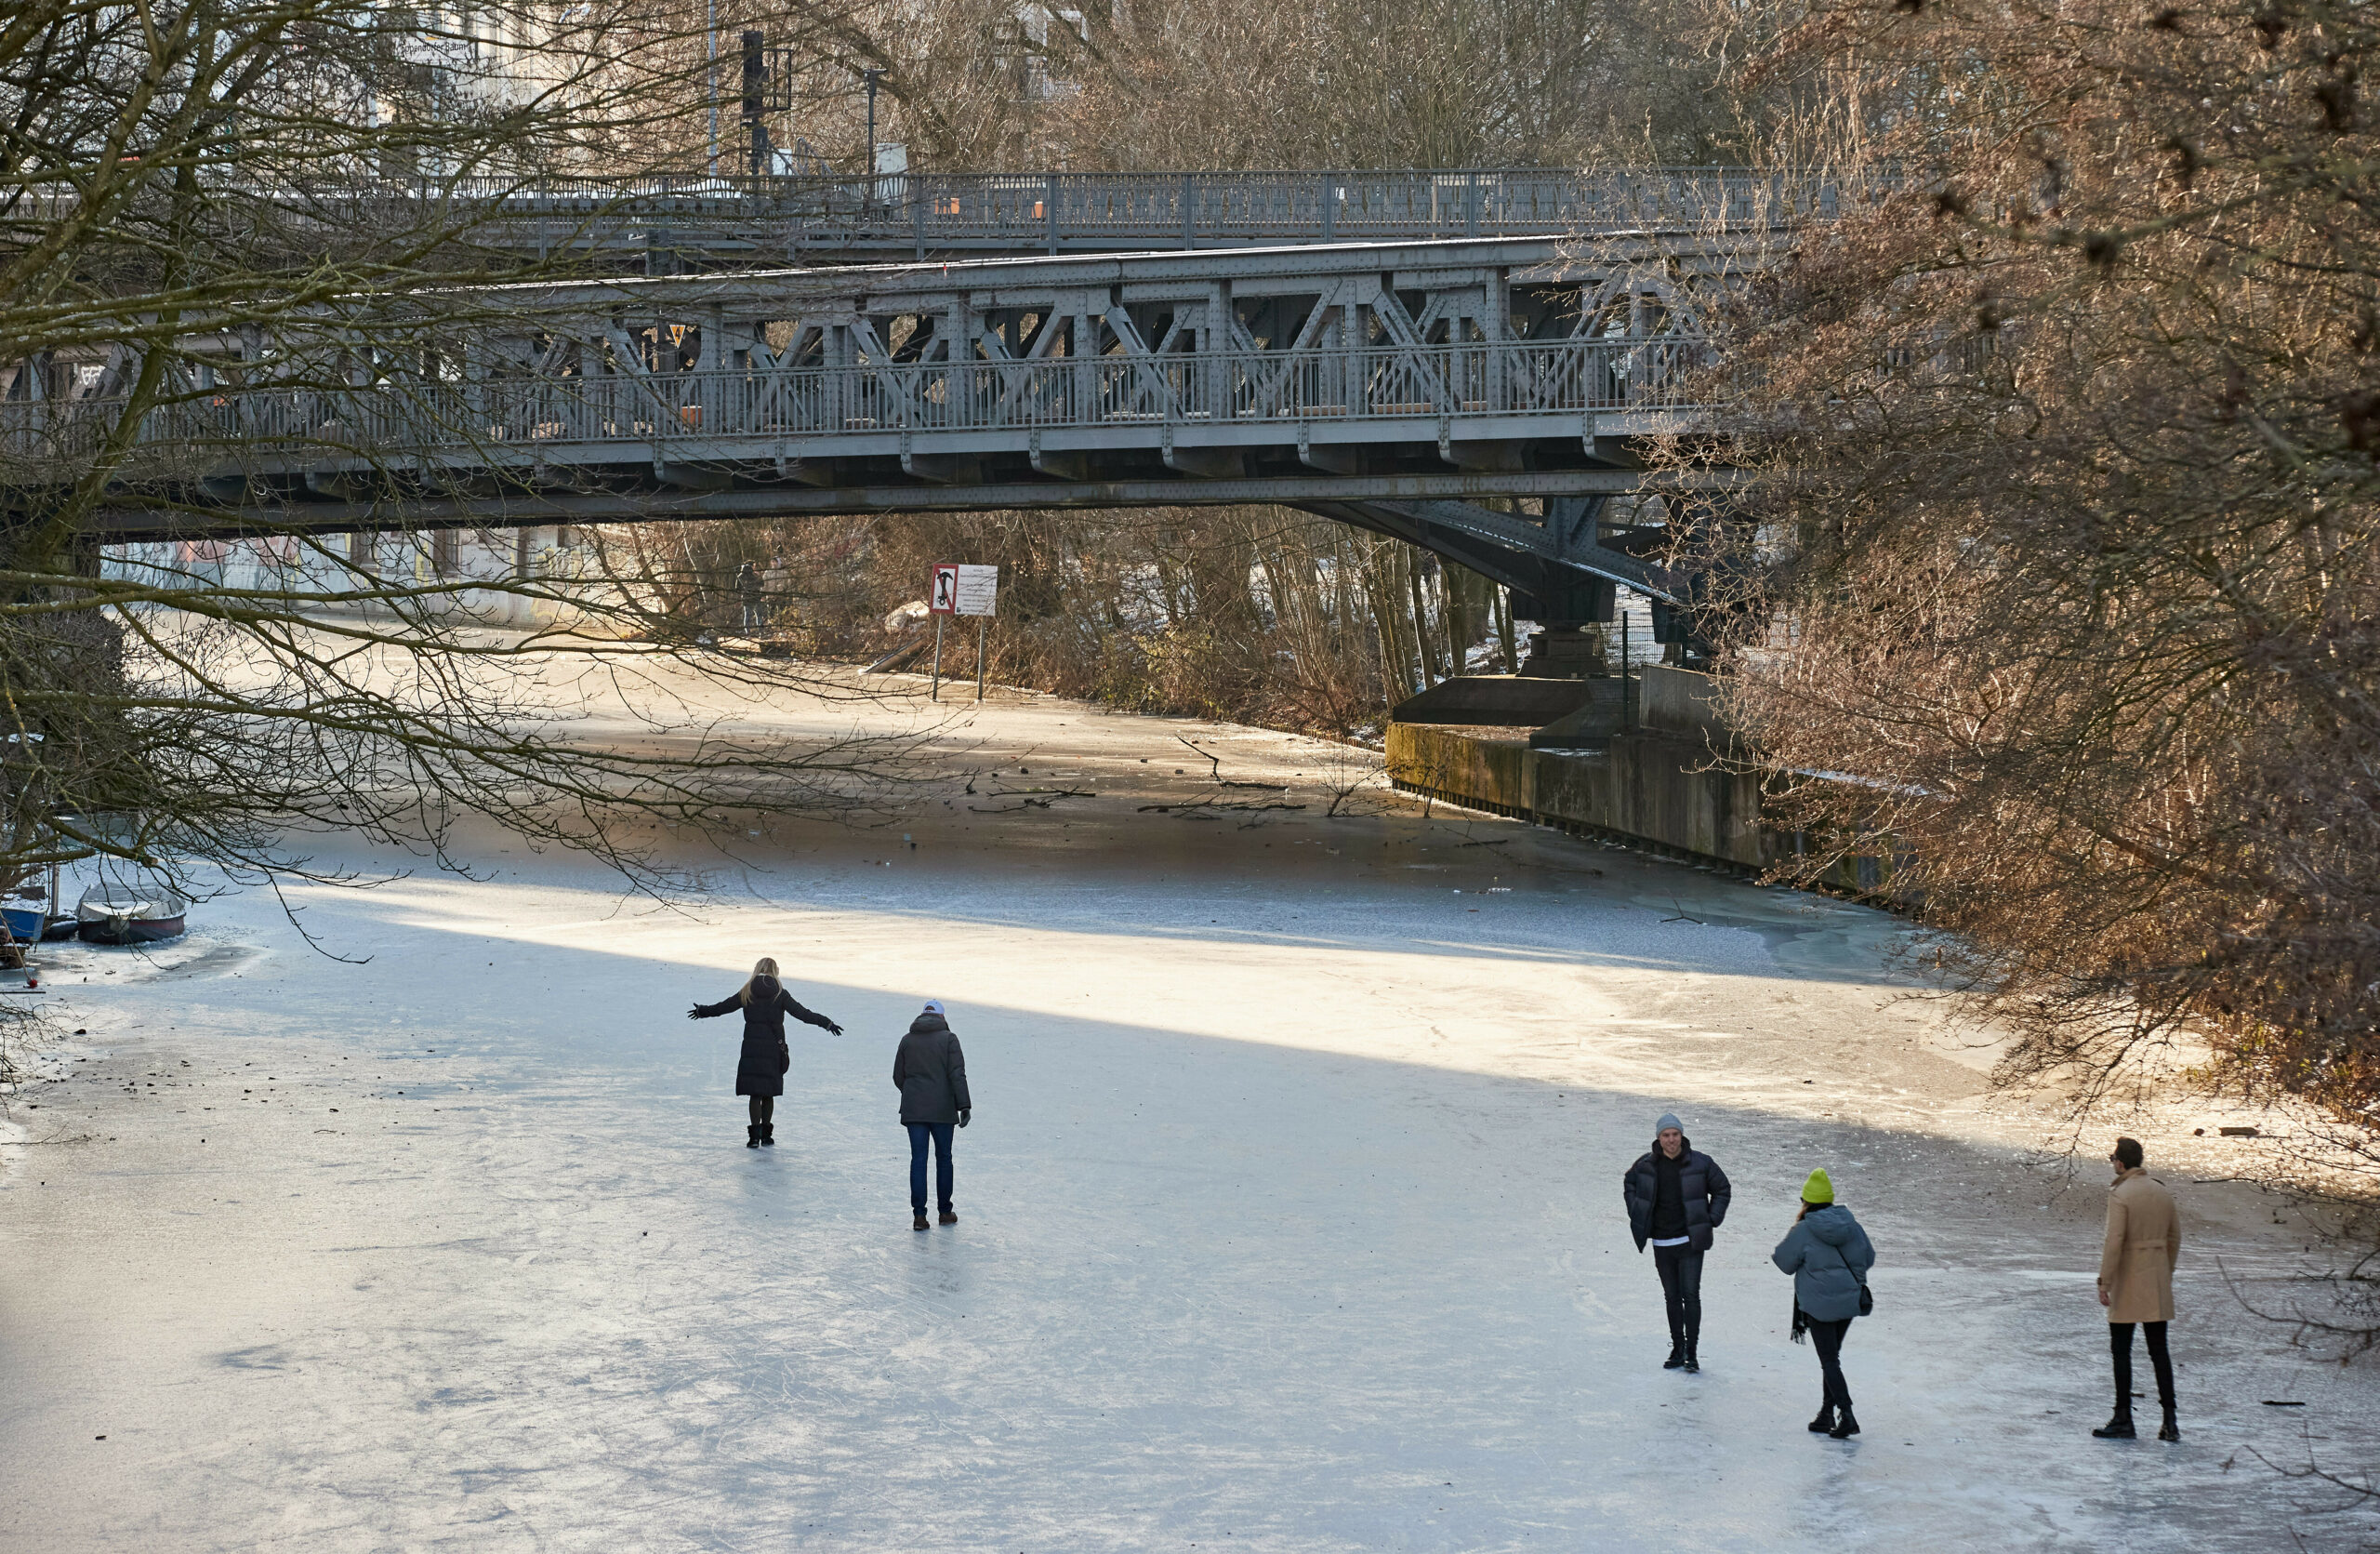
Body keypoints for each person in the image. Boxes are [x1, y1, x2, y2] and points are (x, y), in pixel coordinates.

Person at [687, 957, 841, 1148]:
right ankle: (766, 1136)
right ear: (775, 971)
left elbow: (724, 1007)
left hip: (751, 1049)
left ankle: (753, 1138)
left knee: (755, 1094)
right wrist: (826, 1023)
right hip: (773, 1050)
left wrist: (703, 1011)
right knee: (768, 1093)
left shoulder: (747, 991)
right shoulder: (780, 994)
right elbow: (803, 1014)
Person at [1622, 1111, 1733, 1373]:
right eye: (1666, 1135)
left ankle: (1692, 1353)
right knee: (1672, 1297)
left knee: (1690, 1295)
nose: (1671, 1140)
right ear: (1658, 1138)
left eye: (1675, 1134)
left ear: (1682, 1136)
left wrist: (1711, 1219)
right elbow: (1629, 1183)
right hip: (1662, 1242)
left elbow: (1722, 1189)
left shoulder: (1701, 1163)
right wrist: (1637, 1211)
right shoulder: (1646, 1165)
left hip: (1690, 1241)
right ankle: (1677, 1348)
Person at [1772, 1169, 1875, 1440]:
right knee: (1833, 1358)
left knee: (1829, 1360)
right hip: (1849, 1302)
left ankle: (1847, 1414)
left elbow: (1783, 1262)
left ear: (1806, 1201)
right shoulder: (1852, 1226)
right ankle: (1826, 1414)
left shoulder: (1804, 1229)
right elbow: (1869, 1257)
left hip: (1818, 1305)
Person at [2095, 1136, 2183, 1441]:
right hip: (2156, 1279)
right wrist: (2164, 1271)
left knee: (2121, 1350)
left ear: (2120, 1162)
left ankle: (2123, 1417)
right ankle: (2170, 1421)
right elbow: (2174, 1239)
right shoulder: (2161, 1191)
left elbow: (2114, 1241)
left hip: (2128, 1280)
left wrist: (2104, 1281)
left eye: (2113, 1159)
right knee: (2160, 1352)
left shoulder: (2121, 1194)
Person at [893, 1000, 972, 1231]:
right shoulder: (949, 1039)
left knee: (918, 1160)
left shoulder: (907, 1040)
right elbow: (957, 1074)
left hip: (914, 1110)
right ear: (941, 1017)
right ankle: (945, 1212)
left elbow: (899, 1076)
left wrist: (912, 1094)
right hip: (943, 1110)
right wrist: (964, 1105)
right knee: (944, 1158)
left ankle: (919, 1216)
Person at [735, 561, 766, 631]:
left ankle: (748, 632)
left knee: (747, 616)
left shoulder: (740, 576)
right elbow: (762, 584)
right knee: (759, 615)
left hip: (746, 599)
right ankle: (761, 632)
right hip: (756, 598)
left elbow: (737, 589)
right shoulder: (755, 575)